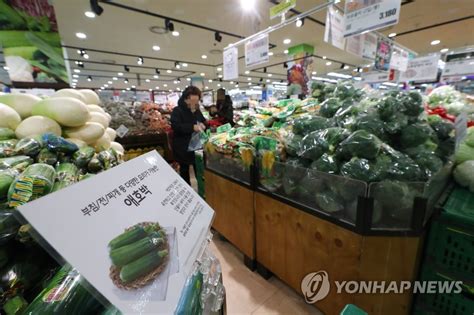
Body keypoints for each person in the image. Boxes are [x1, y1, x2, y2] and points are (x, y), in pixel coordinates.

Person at [170, 86, 206, 185]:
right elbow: (175, 126)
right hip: (182, 146)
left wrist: (203, 125)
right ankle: (187, 193)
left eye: (196, 101)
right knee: (184, 172)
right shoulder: (177, 110)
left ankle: (202, 192)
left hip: (196, 145)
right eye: (192, 101)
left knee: (198, 169)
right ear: (186, 98)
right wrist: (192, 127)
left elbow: (203, 121)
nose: (194, 103)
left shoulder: (196, 110)